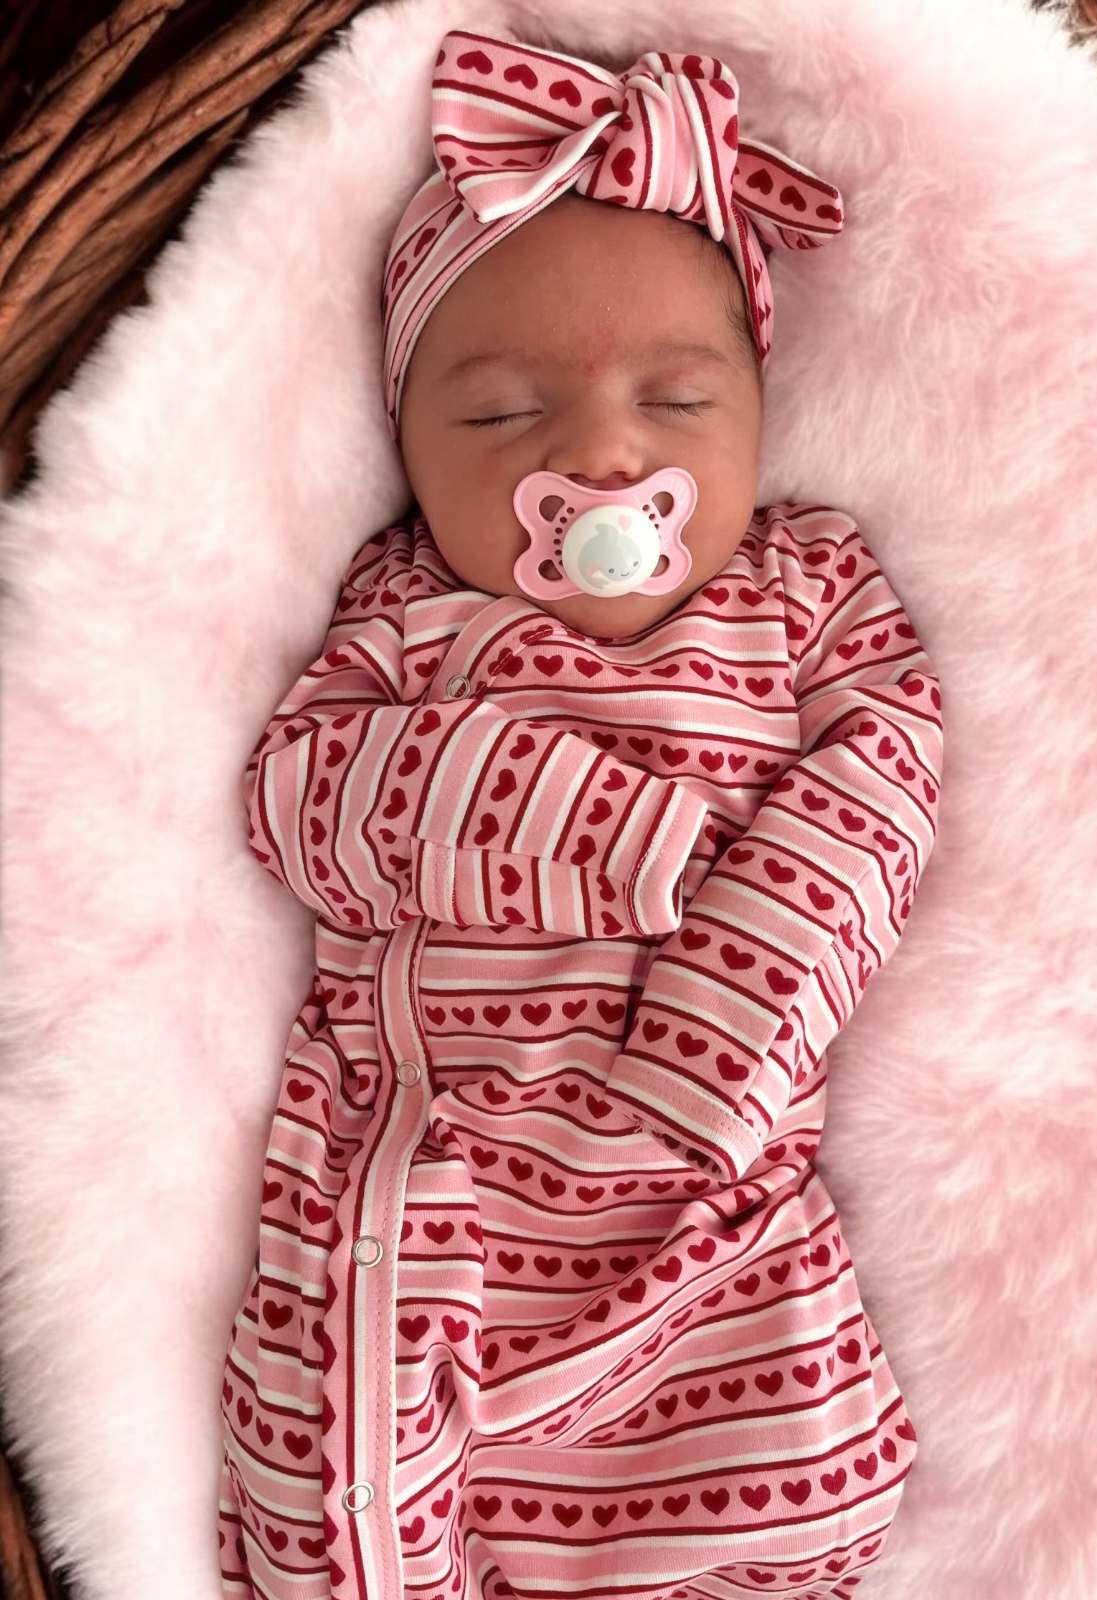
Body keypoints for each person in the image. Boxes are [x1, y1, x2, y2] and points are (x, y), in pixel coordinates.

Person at [218, 28, 943, 1600]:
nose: (604, 453)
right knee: (327, 1485)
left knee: (791, 1490)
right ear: (407, 453)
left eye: (677, 400)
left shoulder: (806, 592)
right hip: (424, 1185)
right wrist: (624, 839)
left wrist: (722, 1039)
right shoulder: (403, 612)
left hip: (708, 1196)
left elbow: (871, 800)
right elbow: (301, 792)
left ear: (756, 418)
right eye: (497, 417)